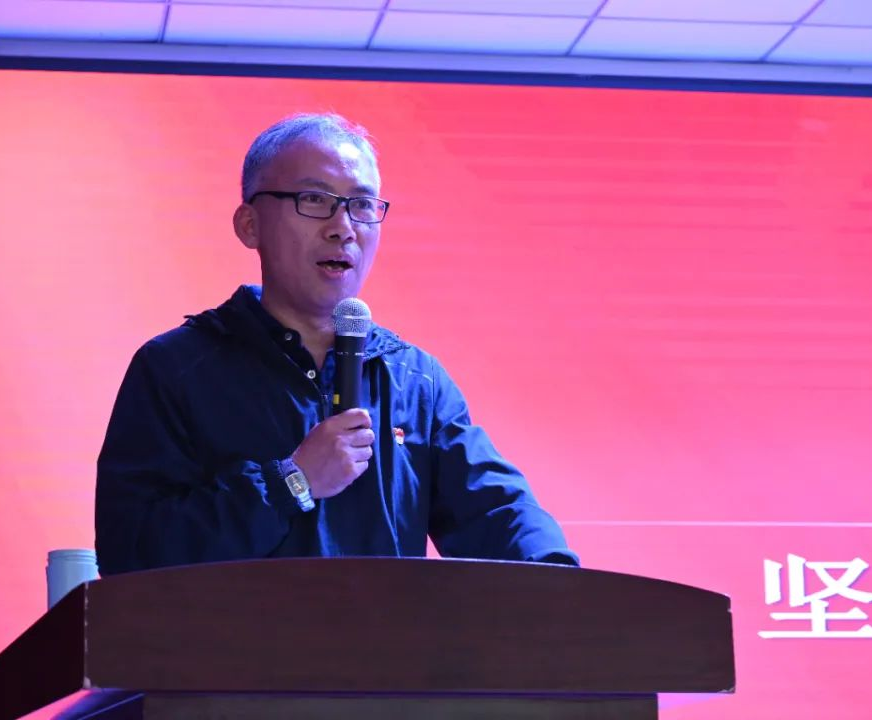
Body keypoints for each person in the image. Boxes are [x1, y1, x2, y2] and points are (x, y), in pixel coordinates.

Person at [95, 113, 577, 576]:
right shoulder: (176, 370)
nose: (343, 226)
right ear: (249, 225)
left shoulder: (415, 381)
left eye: (362, 205)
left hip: (384, 637)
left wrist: (562, 583)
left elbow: (496, 510)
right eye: (314, 199)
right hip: (238, 637)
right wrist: (291, 482)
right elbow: (131, 551)